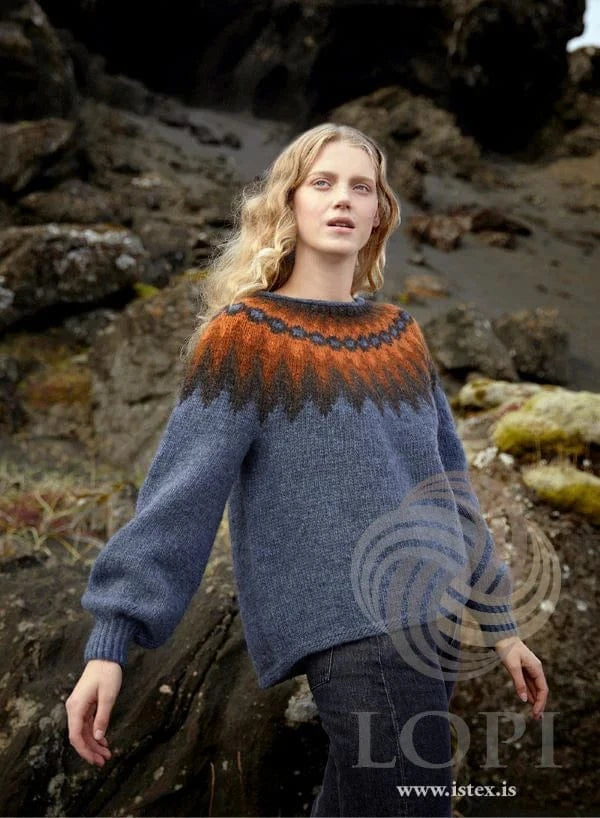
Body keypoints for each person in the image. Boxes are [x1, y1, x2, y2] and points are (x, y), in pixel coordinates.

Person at [65, 123, 548, 816]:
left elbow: (448, 486)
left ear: (380, 212)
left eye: (361, 187)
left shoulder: (400, 336)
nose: (343, 198)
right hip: (351, 630)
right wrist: (111, 640)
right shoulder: (248, 338)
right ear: (288, 202)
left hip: (433, 624)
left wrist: (499, 621)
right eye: (322, 183)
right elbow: (180, 498)